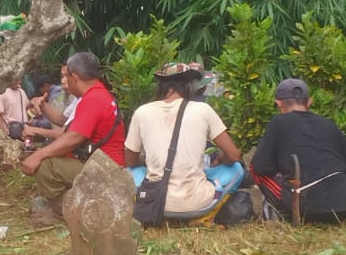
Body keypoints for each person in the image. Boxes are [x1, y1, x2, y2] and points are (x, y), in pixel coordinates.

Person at [124, 63, 243, 214]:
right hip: (198, 202)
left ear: (161, 86)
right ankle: (211, 210)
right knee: (236, 169)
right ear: (189, 86)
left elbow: (130, 161)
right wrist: (219, 159)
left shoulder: (142, 112)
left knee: (131, 171)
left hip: (156, 199)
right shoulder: (203, 110)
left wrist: (149, 163)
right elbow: (234, 155)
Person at [21, 52, 126, 224]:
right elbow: (65, 125)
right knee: (50, 157)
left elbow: (74, 137)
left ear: (74, 77)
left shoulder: (93, 99)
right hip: (103, 165)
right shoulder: (96, 95)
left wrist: (38, 155)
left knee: (46, 166)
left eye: (66, 76)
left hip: (105, 171)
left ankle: (71, 211)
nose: (65, 82)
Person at [250, 78, 346, 224]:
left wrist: (280, 172)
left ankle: (287, 213)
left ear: (279, 104)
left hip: (304, 208)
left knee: (254, 169)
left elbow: (260, 166)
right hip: (345, 206)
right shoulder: (328, 124)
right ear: (309, 102)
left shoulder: (278, 123)